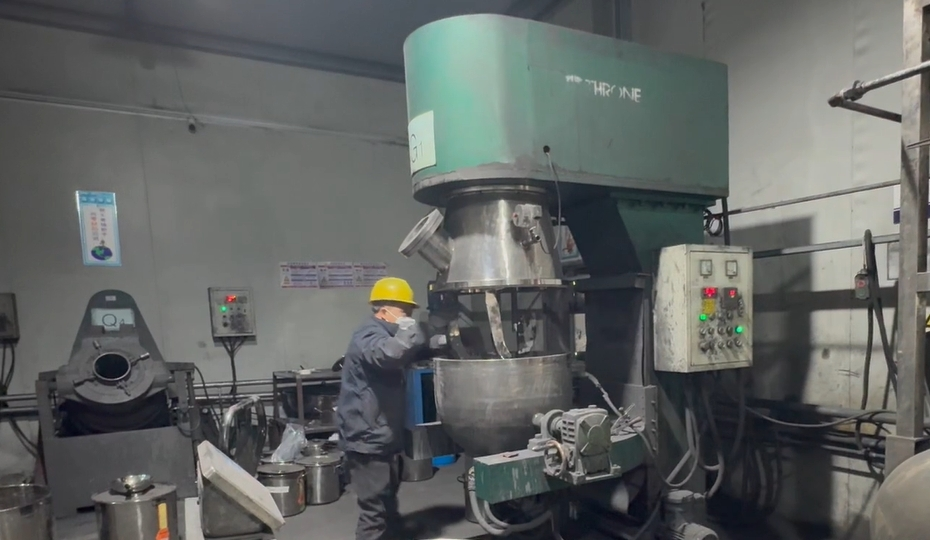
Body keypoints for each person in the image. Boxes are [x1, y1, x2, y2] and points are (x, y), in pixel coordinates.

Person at [337, 277, 426, 540]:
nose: (408, 317)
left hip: (382, 435)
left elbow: (406, 351)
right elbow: (388, 354)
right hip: (366, 438)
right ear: (384, 310)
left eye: (410, 312)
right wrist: (408, 332)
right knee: (374, 512)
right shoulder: (368, 335)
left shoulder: (387, 333)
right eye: (404, 311)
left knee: (387, 502)